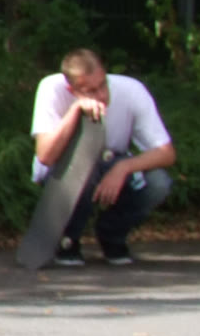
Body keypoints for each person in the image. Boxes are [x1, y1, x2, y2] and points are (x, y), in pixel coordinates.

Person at [30, 48, 176, 264]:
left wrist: (123, 168)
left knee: (158, 182)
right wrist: (74, 111)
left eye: (102, 85)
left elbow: (166, 153)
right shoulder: (51, 87)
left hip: (112, 160)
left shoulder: (131, 90)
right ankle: (67, 239)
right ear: (71, 89)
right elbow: (45, 156)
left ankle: (112, 235)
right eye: (90, 91)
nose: (101, 96)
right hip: (64, 167)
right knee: (85, 168)